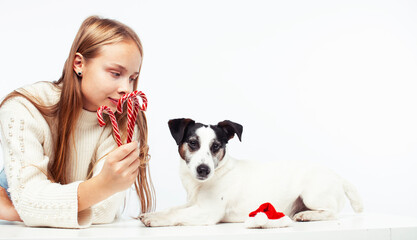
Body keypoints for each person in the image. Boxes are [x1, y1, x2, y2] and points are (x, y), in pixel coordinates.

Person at [0, 16, 155, 228]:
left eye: (131, 77)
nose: (127, 89)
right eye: (115, 73)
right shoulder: (25, 107)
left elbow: (106, 209)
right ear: (79, 64)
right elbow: (29, 196)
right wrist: (101, 186)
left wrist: (17, 211)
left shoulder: (124, 121)